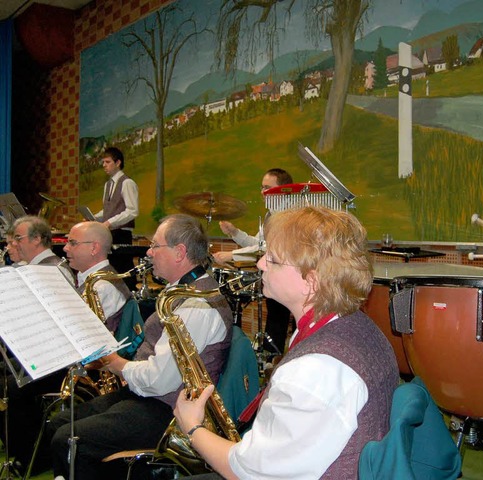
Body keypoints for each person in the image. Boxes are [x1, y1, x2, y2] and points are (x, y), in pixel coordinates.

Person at [175, 206, 399, 479]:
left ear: (311, 281)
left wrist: (193, 427)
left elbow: (247, 473)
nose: (259, 264)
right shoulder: (356, 325)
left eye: (272, 259)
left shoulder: (316, 369)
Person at [48, 214, 234, 480]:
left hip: (168, 411)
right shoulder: (180, 291)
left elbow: (159, 381)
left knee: (69, 438)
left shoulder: (197, 305)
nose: (149, 252)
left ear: (179, 252)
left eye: (155, 246)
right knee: (60, 422)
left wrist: (115, 363)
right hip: (151, 396)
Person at [0, 221, 130, 475]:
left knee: (13, 388)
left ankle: (33, 457)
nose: (65, 248)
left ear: (94, 248)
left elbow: (86, 339)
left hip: (86, 368)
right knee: (9, 377)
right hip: (71, 359)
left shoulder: (103, 286)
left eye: (72, 243)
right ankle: (29, 450)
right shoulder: (89, 280)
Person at [213, 168, 293, 354]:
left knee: (286, 323)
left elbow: (268, 247)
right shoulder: (271, 214)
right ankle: (270, 360)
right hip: (277, 276)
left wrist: (233, 255)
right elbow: (258, 243)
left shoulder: (289, 214)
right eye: (261, 187)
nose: (262, 192)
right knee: (276, 321)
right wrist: (235, 233)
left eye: (268, 187)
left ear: (283, 190)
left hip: (292, 277)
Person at [94, 146, 139, 285]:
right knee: (111, 269)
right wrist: (94, 218)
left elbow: (132, 210)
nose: (104, 165)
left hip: (122, 234)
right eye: (103, 162)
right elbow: (109, 210)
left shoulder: (127, 183)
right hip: (111, 232)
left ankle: (129, 296)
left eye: (107, 162)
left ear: (118, 163)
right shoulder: (107, 185)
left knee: (123, 269)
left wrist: (109, 222)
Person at [8, 215, 74, 285]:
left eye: (18, 238)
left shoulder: (55, 270)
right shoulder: (31, 265)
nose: (14, 243)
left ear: (36, 239)